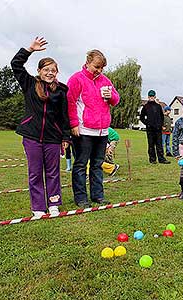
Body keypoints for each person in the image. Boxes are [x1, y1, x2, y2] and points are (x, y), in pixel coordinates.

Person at [11, 37, 70, 217]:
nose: (50, 73)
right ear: (39, 71)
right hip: (32, 137)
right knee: (35, 173)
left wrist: (65, 137)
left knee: (53, 173)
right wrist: (30, 49)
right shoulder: (29, 84)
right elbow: (15, 64)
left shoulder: (61, 90)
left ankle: (53, 204)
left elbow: (64, 116)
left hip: (53, 138)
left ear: (57, 72)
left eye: (53, 70)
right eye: (46, 69)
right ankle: (38, 207)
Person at [67, 49, 120, 208]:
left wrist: (110, 96)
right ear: (88, 62)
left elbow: (116, 100)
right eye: (96, 67)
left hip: (102, 130)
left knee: (97, 164)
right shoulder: (77, 79)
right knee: (81, 164)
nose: (99, 70)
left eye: (102, 68)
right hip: (83, 130)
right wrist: (73, 124)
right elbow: (70, 102)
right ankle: (81, 198)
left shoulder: (105, 80)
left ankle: (98, 196)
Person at [140, 90, 170, 164]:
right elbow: (142, 117)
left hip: (158, 129)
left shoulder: (158, 106)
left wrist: (161, 124)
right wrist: (147, 123)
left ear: (155, 97)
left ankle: (161, 159)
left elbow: (162, 116)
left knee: (159, 144)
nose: (151, 98)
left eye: (152, 96)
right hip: (150, 129)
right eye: (150, 96)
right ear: (148, 97)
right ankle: (152, 159)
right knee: (151, 145)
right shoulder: (146, 106)